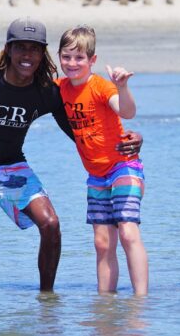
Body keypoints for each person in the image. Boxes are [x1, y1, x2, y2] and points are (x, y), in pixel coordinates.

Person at [0, 17, 143, 292]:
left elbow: (81, 133)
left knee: (50, 224)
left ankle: (47, 303)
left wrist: (129, 139)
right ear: (9, 49)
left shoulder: (46, 91)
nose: (27, 55)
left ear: (43, 53)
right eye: (21, 48)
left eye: (35, 49)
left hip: (11, 166)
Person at [57, 25, 148, 295]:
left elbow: (127, 112)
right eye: (66, 57)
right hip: (96, 175)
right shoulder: (60, 88)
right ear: (59, 57)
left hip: (124, 166)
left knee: (128, 232)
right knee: (102, 243)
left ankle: (140, 303)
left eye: (79, 58)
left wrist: (122, 87)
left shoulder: (100, 86)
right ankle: (105, 302)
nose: (72, 63)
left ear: (92, 60)